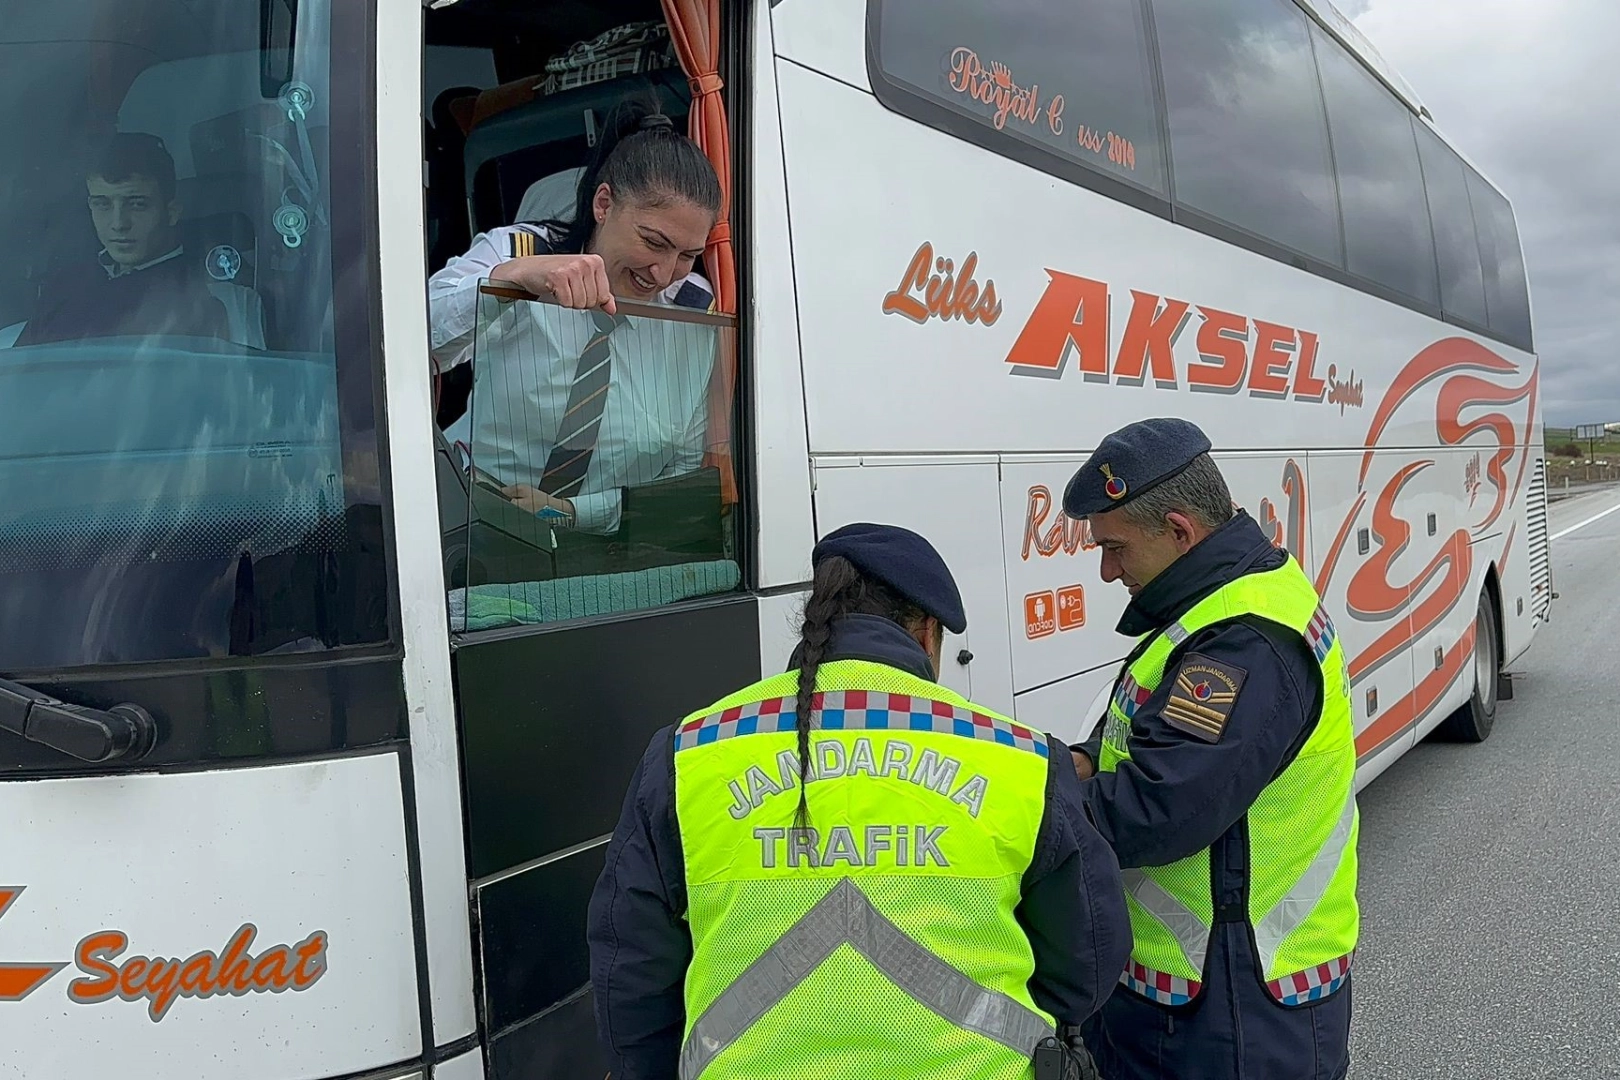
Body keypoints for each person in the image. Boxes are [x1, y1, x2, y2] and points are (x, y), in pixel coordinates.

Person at [587, 522, 1132, 1079]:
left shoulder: (688, 753)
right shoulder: (1023, 757)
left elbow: (631, 967)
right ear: (926, 634)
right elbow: (1088, 952)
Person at [1061, 418, 1360, 1080]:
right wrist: (1070, 763)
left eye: (1115, 548)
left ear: (1179, 531)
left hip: (1235, 1013)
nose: (1107, 570)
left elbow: (1159, 806)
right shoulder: (1225, 603)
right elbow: (1153, 741)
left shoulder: (1243, 642)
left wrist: (1012, 797)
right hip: (1211, 996)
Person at [426, 98, 721, 539]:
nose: (663, 273)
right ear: (604, 204)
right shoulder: (522, 252)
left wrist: (568, 512)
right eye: (653, 242)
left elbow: (677, 477)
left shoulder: (693, 313)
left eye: (688, 255)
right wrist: (512, 281)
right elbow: (412, 340)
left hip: (604, 551)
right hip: (469, 523)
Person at [17, 132, 228, 346]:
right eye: (102, 204)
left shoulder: (197, 299)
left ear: (172, 212)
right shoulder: (66, 282)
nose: (118, 224)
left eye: (137, 204)